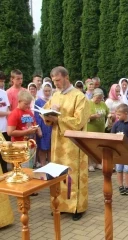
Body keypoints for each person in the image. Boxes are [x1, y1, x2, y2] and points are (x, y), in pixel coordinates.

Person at [43, 66, 90, 221]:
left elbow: (79, 121)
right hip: (57, 141)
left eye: (58, 80)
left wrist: (59, 118)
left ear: (66, 77)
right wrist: (48, 116)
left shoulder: (79, 96)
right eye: (54, 80)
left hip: (74, 143)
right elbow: (46, 113)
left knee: (72, 174)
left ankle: (77, 207)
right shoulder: (55, 95)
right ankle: (60, 205)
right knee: (58, 173)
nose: (56, 84)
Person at [7, 90, 42, 170]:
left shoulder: (29, 112)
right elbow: (10, 132)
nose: (28, 106)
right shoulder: (14, 114)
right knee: (22, 171)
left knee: (30, 169)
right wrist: (27, 132)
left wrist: (37, 129)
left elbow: (34, 124)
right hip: (20, 147)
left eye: (29, 103)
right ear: (19, 101)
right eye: (25, 104)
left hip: (31, 146)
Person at [111, 104, 128, 195]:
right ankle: (120, 186)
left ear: (126, 113)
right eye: (116, 115)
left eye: (119, 115)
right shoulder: (116, 124)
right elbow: (112, 135)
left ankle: (127, 186)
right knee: (119, 168)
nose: (117, 116)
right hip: (118, 150)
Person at [87, 88, 109, 171]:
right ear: (94, 96)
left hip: (101, 129)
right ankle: (90, 164)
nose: (99, 100)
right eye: (97, 98)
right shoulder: (89, 103)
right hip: (91, 129)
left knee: (99, 147)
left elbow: (107, 112)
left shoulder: (103, 104)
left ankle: (97, 162)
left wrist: (110, 115)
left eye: (100, 98)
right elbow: (85, 116)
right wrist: (93, 116)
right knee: (90, 147)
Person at [34, 82, 53, 167]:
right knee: (42, 147)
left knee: (50, 147)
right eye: (45, 91)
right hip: (42, 126)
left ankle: (50, 164)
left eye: (49, 91)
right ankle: (43, 165)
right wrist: (39, 128)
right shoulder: (38, 101)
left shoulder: (53, 100)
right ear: (42, 91)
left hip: (51, 126)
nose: (47, 93)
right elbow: (36, 116)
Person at [0, 86, 10, 172]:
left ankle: (5, 172)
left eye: (2, 81)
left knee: (4, 154)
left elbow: (7, 107)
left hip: (4, 128)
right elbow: (8, 112)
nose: (1, 83)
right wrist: (8, 113)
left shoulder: (4, 93)